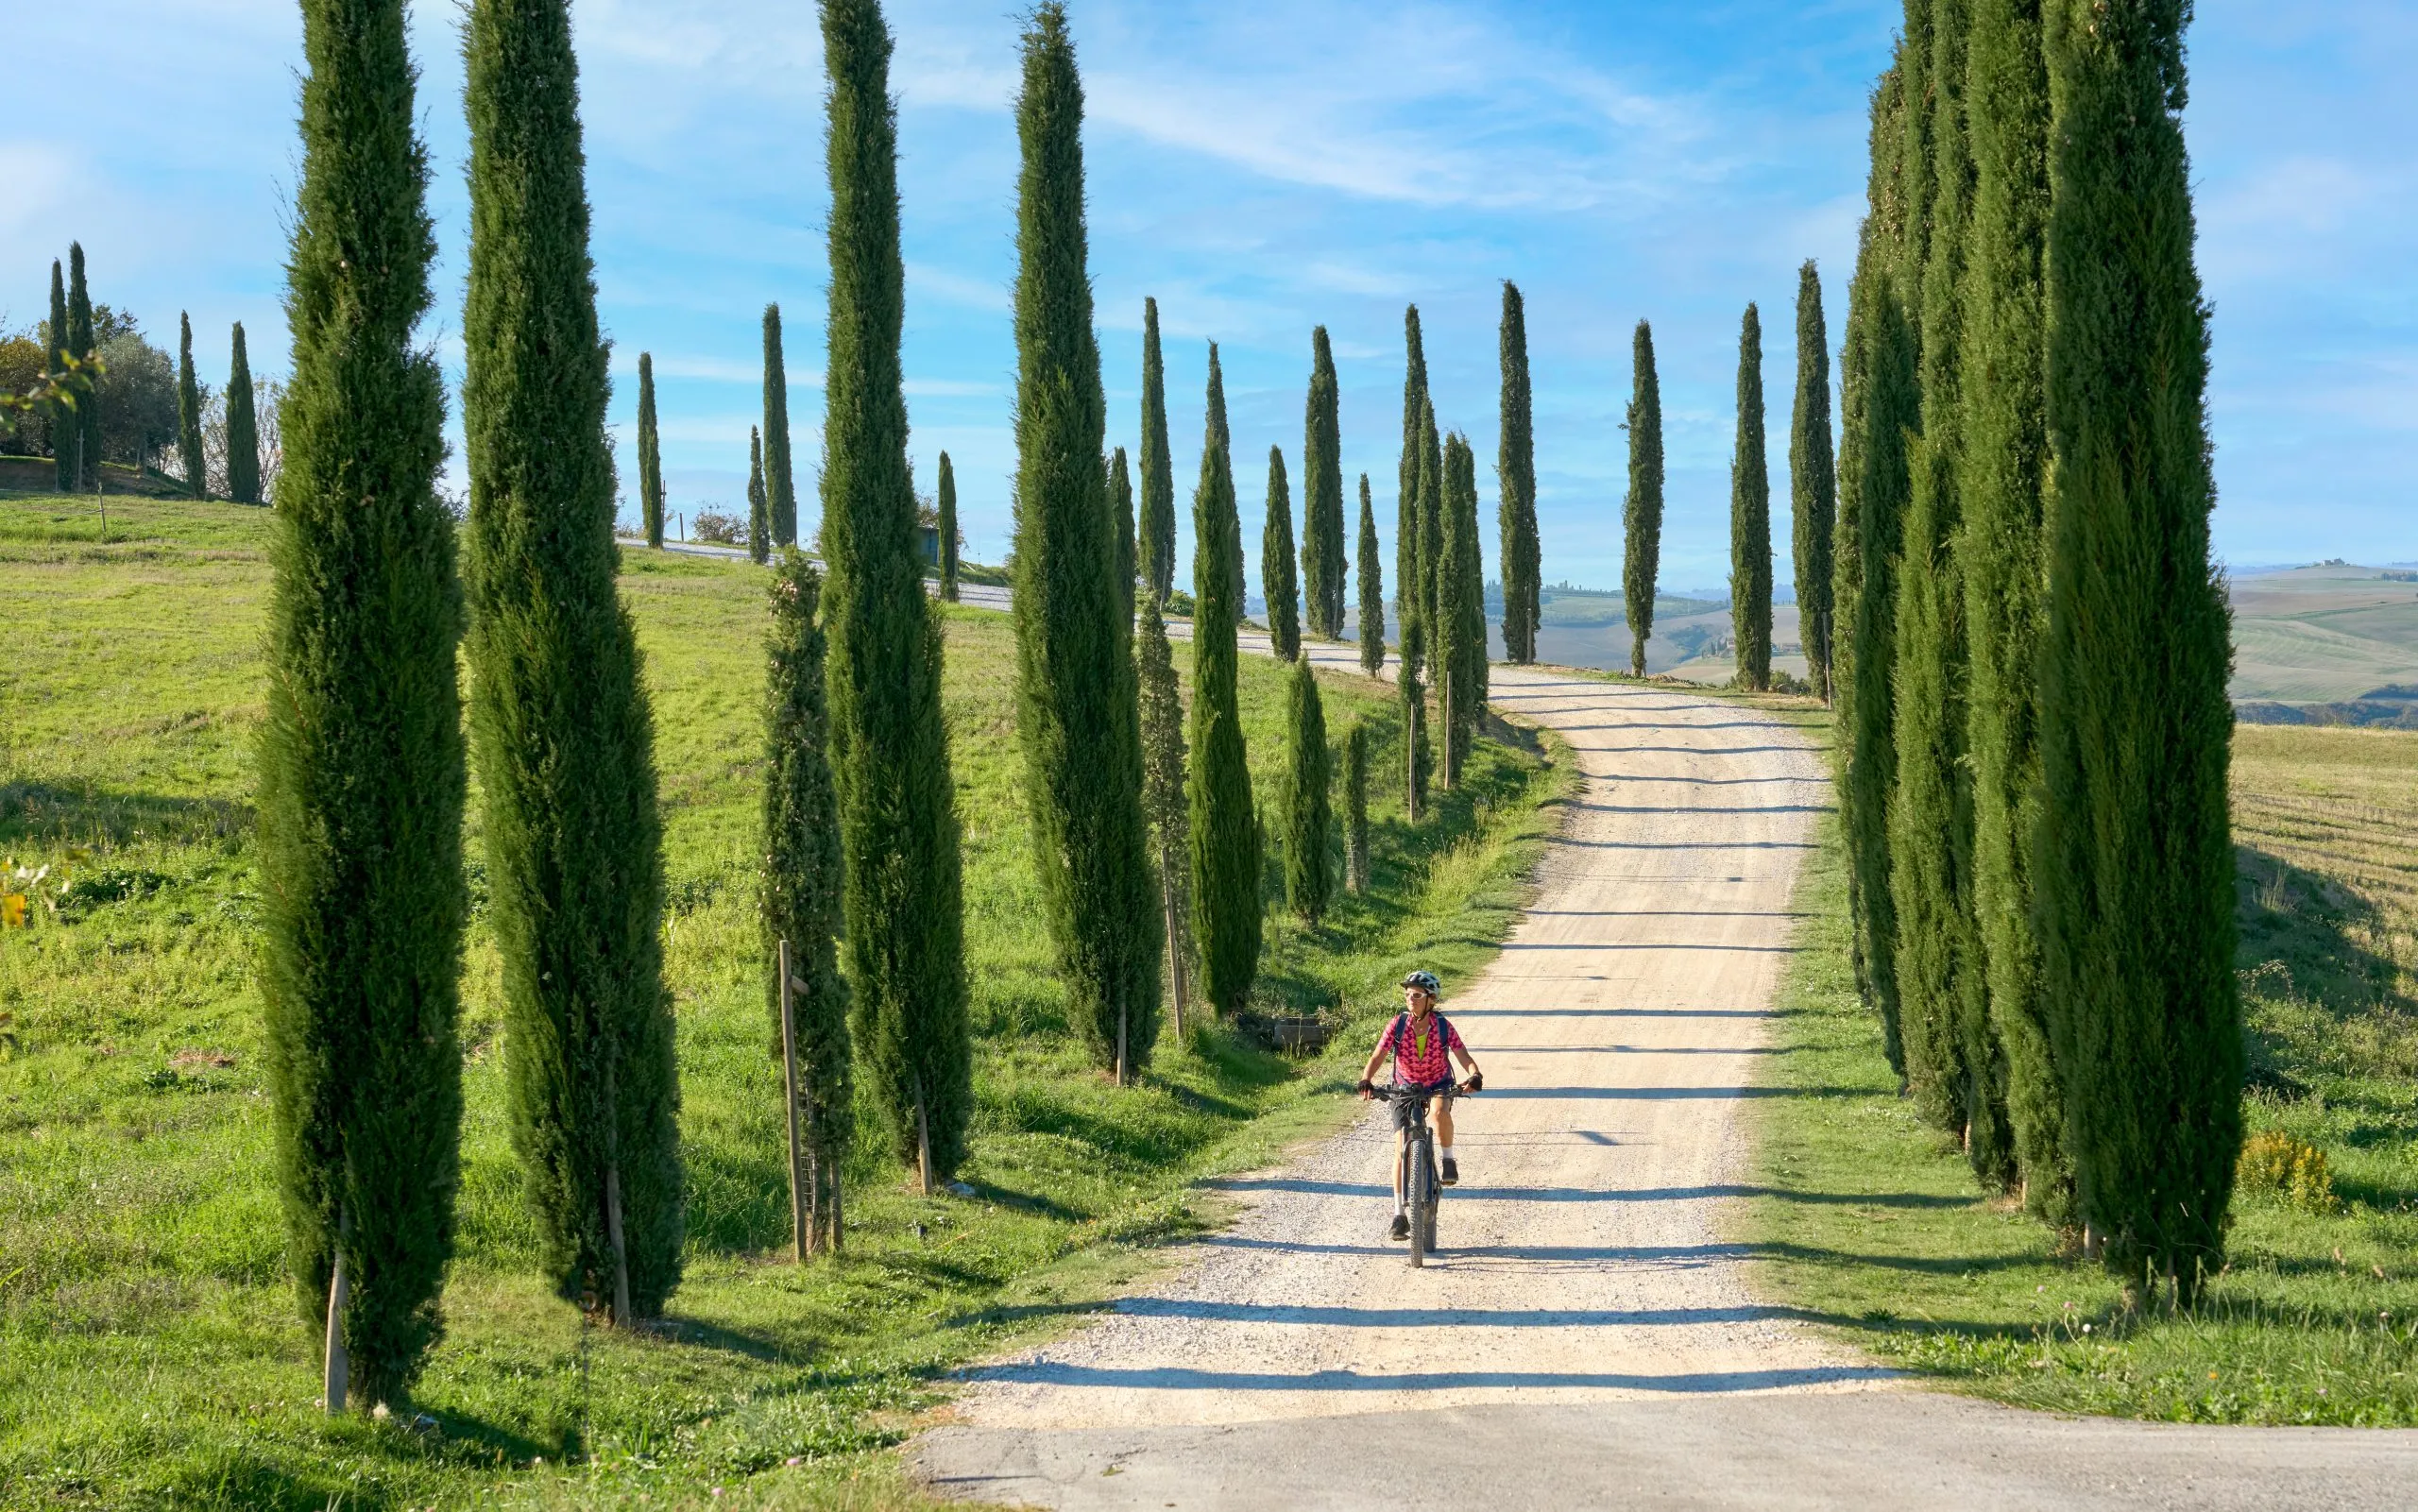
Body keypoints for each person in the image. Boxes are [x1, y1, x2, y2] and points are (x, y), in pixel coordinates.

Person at [1357, 969, 1482, 1241]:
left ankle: (1448, 1161)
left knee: (1438, 1114)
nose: (1410, 999)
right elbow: (1379, 1054)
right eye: (1407, 995)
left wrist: (1474, 1074)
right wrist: (1366, 1079)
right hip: (1404, 1087)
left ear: (1431, 1000)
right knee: (1401, 1147)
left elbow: (1462, 1055)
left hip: (1438, 1083)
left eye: (1417, 995)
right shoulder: (1397, 1024)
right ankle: (1399, 1215)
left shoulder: (1443, 1027)